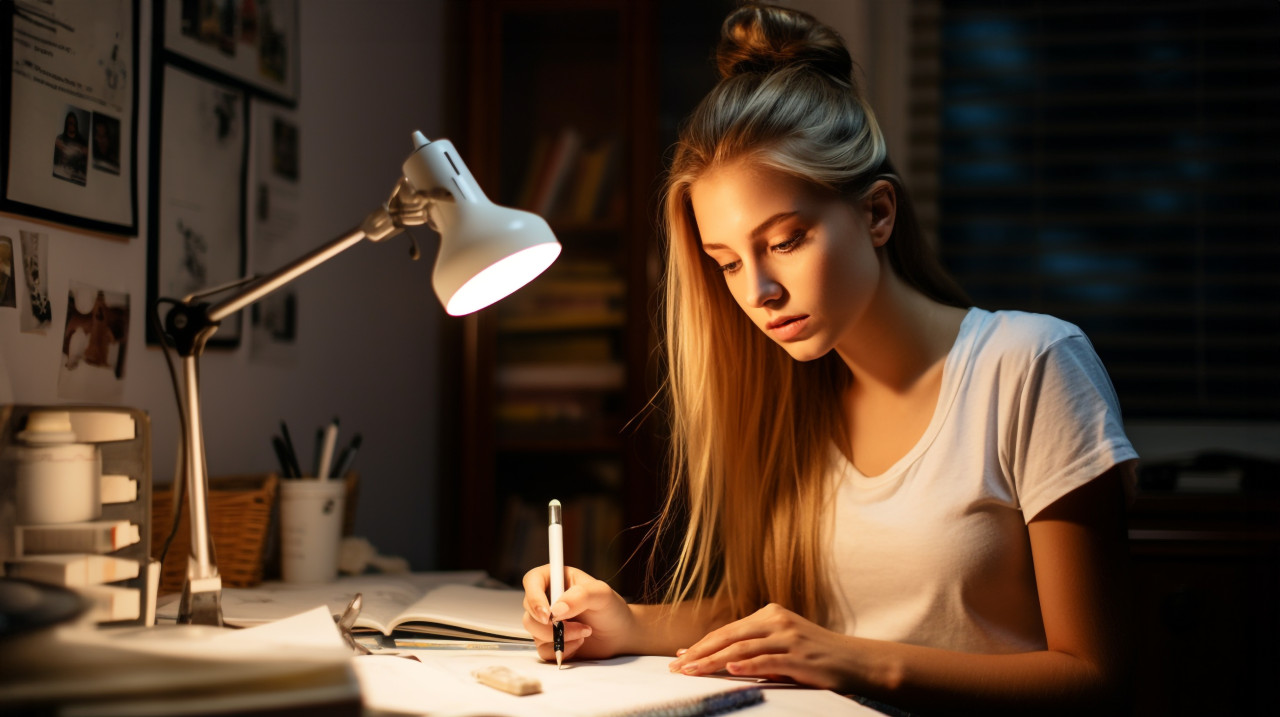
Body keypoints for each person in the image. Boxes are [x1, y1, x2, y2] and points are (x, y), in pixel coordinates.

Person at [522, 4, 1138, 714]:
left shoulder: (1030, 366)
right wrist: (625, 621)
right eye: (727, 262)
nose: (758, 292)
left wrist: (855, 661)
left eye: (785, 241)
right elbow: (776, 618)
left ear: (877, 213)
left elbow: (1095, 674)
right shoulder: (793, 395)